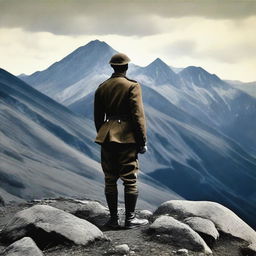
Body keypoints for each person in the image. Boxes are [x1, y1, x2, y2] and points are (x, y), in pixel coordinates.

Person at [94, 53, 148, 229]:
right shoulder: (133, 86)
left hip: (106, 136)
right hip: (126, 138)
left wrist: (104, 133)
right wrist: (142, 142)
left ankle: (113, 219)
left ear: (112, 67)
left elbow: (97, 117)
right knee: (130, 178)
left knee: (110, 179)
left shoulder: (102, 87)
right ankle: (130, 220)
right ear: (126, 67)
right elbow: (138, 116)